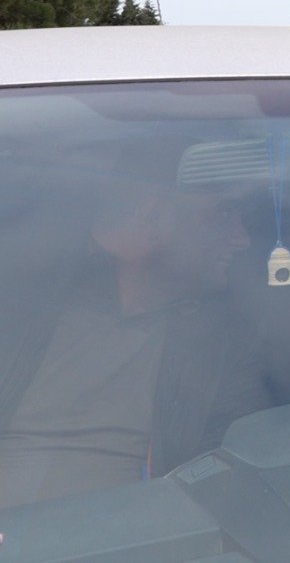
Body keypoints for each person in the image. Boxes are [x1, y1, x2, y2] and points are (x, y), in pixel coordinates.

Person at [0, 148, 269, 509]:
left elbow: (229, 476)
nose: (242, 238)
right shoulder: (21, 304)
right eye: (222, 214)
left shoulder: (222, 346)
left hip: (137, 535)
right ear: (153, 217)